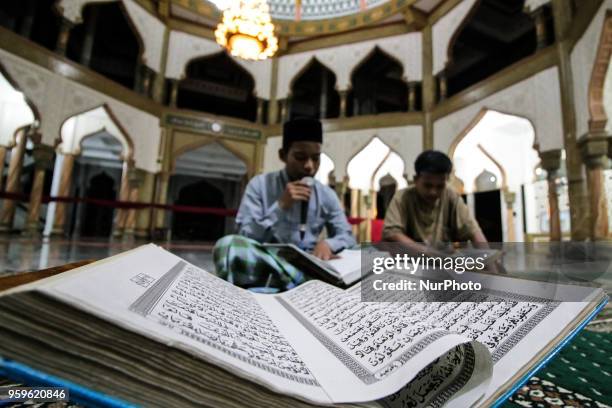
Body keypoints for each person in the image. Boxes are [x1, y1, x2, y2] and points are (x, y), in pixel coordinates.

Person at [214, 118, 356, 292]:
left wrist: (327, 244)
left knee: (366, 253)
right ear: (283, 155)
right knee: (227, 245)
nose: (309, 166)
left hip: (309, 263)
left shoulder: (326, 194)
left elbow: (347, 236)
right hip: (267, 258)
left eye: (316, 158)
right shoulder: (260, 185)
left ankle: (283, 284)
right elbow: (246, 235)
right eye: (300, 157)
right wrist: (281, 206)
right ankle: (296, 283)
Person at [383, 150, 488, 253]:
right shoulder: (402, 197)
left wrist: (491, 264)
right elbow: (392, 233)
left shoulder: (451, 196)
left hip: (444, 263)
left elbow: (473, 231)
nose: (433, 192)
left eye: (440, 186)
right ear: (416, 179)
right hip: (410, 263)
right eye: (428, 185)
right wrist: (428, 252)